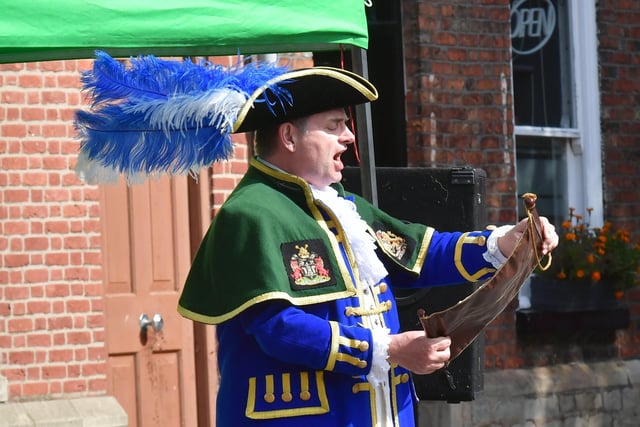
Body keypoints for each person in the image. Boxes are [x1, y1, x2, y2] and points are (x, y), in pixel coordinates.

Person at [177, 67, 558, 427]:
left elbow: (419, 254)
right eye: (335, 126)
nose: (349, 137)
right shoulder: (251, 213)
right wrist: (390, 350)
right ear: (290, 137)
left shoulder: (342, 206)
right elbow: (277, 328)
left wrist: (504, 242)